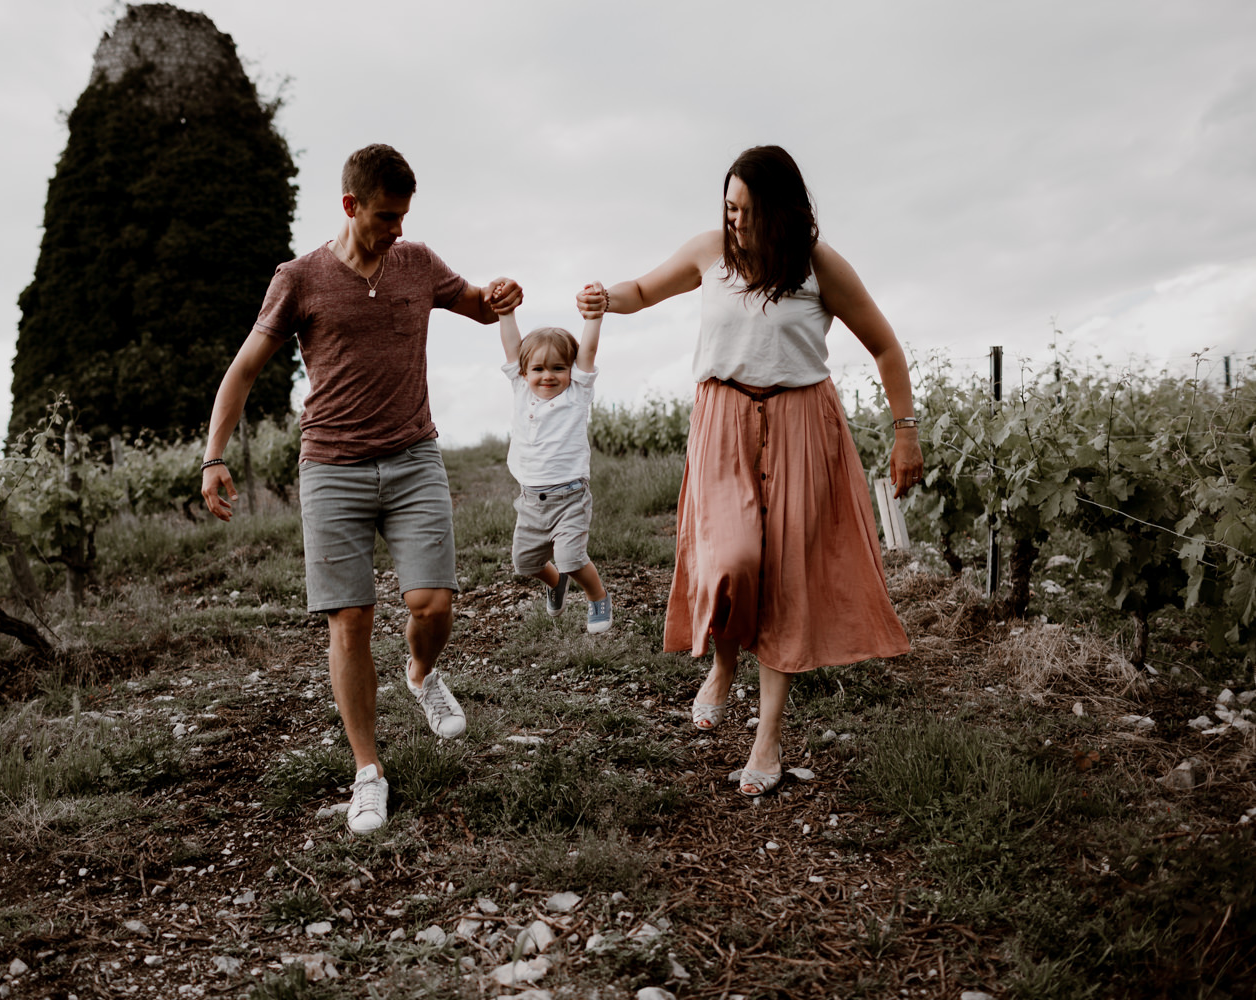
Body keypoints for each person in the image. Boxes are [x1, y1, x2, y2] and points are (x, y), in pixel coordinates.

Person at [577, 145, 921, 797]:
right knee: (731, 560)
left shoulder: (818, 265)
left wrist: (906, 434)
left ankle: (768, 737)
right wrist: (603, 298)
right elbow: (643, 290)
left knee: (787, 579)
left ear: (780, 212)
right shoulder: (711, 251)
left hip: (801, 423)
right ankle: (724, 663)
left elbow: (885, 347)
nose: (732, 220)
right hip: (723, 420)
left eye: (744, 211)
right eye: (727, 207)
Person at [201, 144, 522, 835]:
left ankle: (421, 674)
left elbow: (476, 305)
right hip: (332, 469)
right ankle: (368, 772)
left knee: (433, 604)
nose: (397, 229)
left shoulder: (416, 262)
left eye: (403, 216)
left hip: (412, 459)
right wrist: (214, 456)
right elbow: (245, 368)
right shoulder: (299, 278)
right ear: (350, 206)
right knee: (350, 621)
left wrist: (500, 295)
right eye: (385, 217)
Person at [492, 293, 612, 633]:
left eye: (559, 368)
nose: (548, 376)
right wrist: (506, 313)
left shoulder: (576, 394)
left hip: (570, 497)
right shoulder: (521, 390)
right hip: (531, 500)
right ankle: (556, 582)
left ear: (571, 371)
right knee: (525, 562)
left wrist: (593, 318)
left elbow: (588, 352)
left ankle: (598, 596)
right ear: (524, 372)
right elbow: (512, 348)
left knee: (571, 558)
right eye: (538, 369)